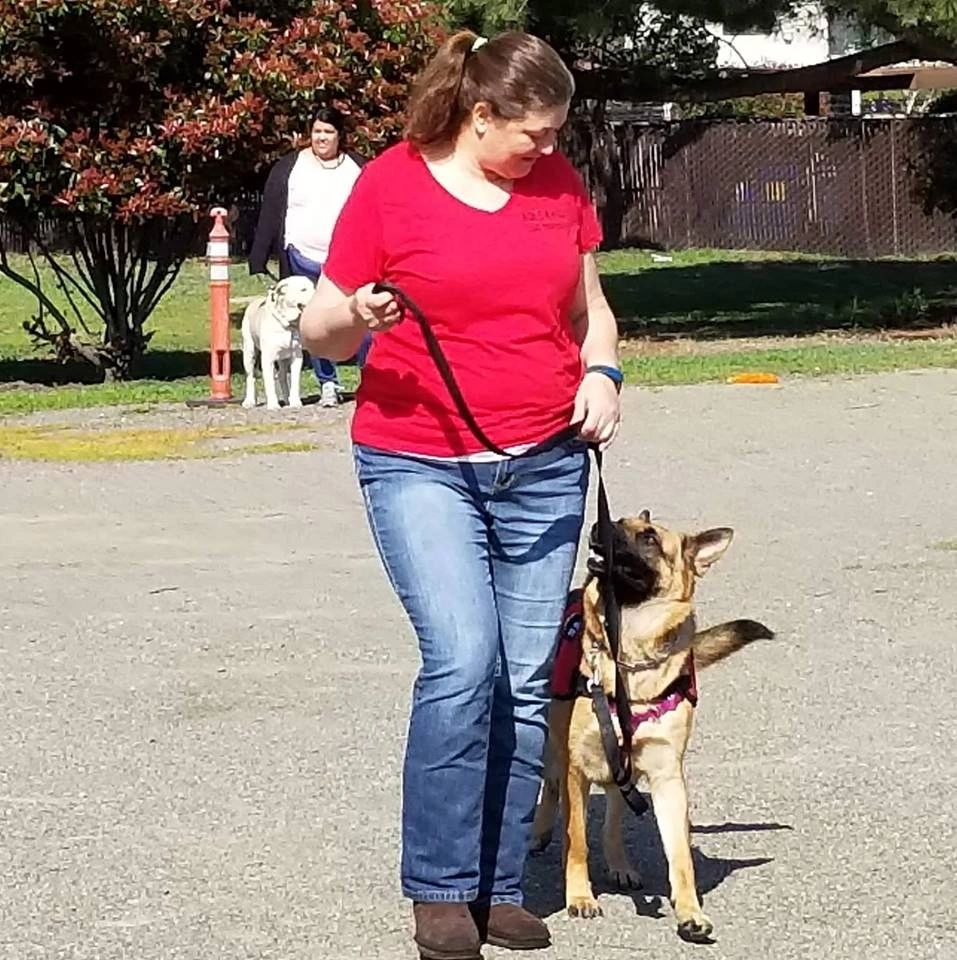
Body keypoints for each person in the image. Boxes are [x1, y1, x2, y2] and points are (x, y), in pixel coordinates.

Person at [300, 30, 622, 960]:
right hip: (418, 457)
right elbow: (320, 326)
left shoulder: (557, 188)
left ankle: (494, 885)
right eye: (533, 135)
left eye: (559, 135)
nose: (549, 153)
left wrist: (601, 372)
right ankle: (439, 888)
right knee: (462, 659)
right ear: (480, 116)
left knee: (525, 679)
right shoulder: (390, 185)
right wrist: (354, 316)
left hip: (546, 462)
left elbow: (588, 305)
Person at [248, 105, 370, 407]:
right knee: (316, 324)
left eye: (328, 132)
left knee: (365, 320)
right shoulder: (289, 168)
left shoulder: (359, 167)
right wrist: (259, 255)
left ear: (340, 136)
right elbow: (272, 212)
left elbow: (377, 208)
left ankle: (370, 379)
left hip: (349, 257)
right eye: (317, 132)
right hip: (303, 257)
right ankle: (328, 383)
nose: (321, 138)